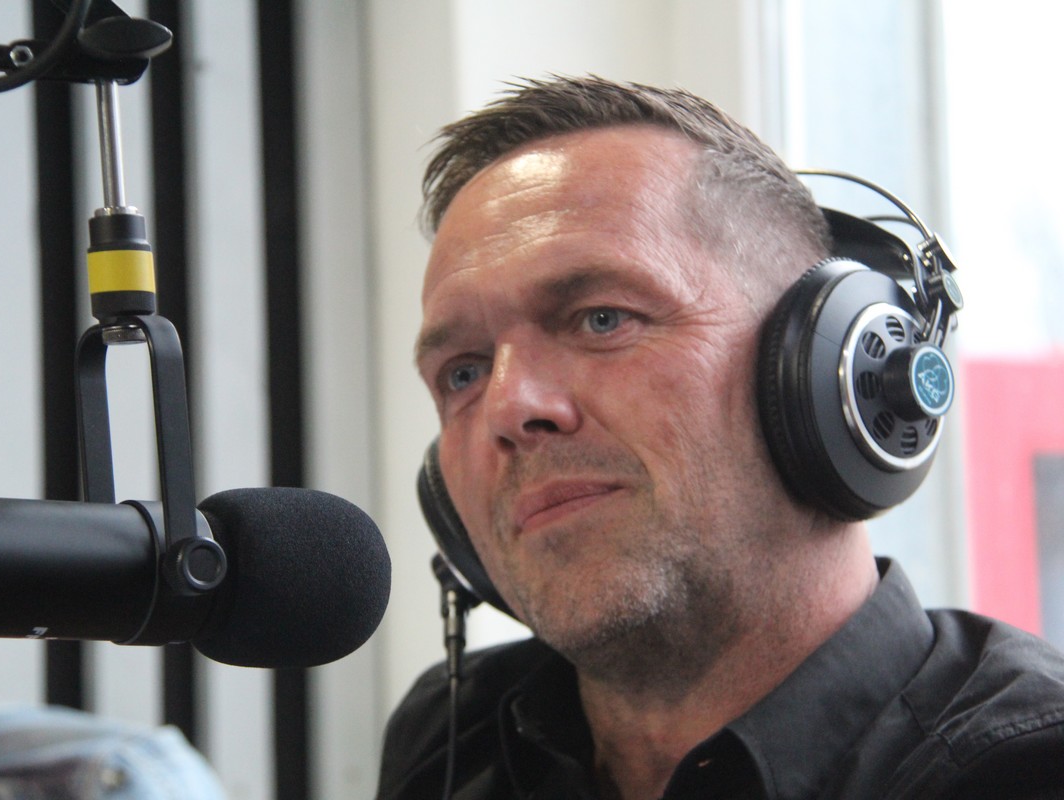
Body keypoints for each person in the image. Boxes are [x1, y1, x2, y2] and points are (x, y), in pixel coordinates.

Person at [375, 75, 1064, 799]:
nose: (508, 407)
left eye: (602, 319)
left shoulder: (1026, 769)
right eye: (463, 373)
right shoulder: (448, 740)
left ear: (821, 375)